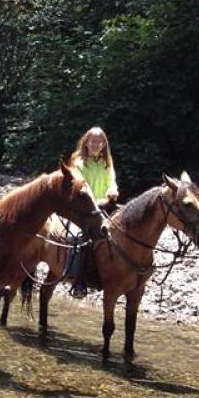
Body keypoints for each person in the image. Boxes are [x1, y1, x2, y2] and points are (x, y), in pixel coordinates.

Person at [67, 126, 119, 298]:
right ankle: (79, 282)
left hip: (105, 207)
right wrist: (98, 202)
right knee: (85, 240)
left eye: (100, 141)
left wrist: (113, 190)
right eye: (93, 141)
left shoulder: (107, 164)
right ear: (86, 142)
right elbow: (82, 188)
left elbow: (112, 182)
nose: (96, 144)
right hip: (84, 209)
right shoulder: (78, 164)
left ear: (104, 144)